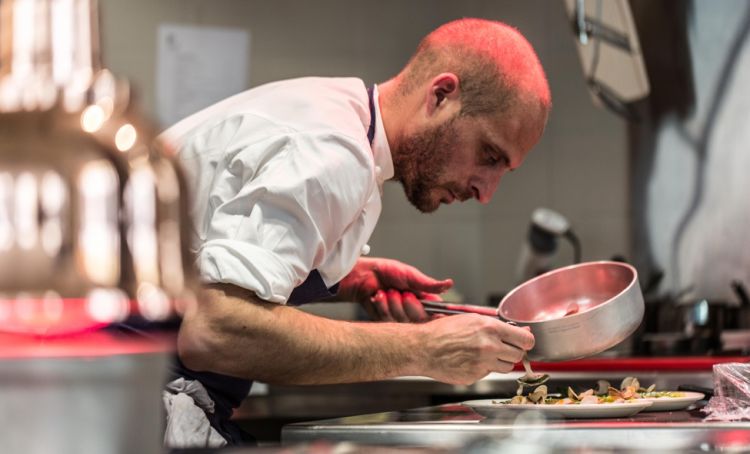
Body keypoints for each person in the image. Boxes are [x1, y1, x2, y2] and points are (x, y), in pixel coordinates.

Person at [159, 17, 551, 447]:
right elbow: (216, 331)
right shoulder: (335, 152)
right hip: (133, 409)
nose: (486, 192)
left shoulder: (340, 114)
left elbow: (204, 259)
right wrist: (424, 349)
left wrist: (349, 279)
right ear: (440, 96)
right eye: (489, 154)